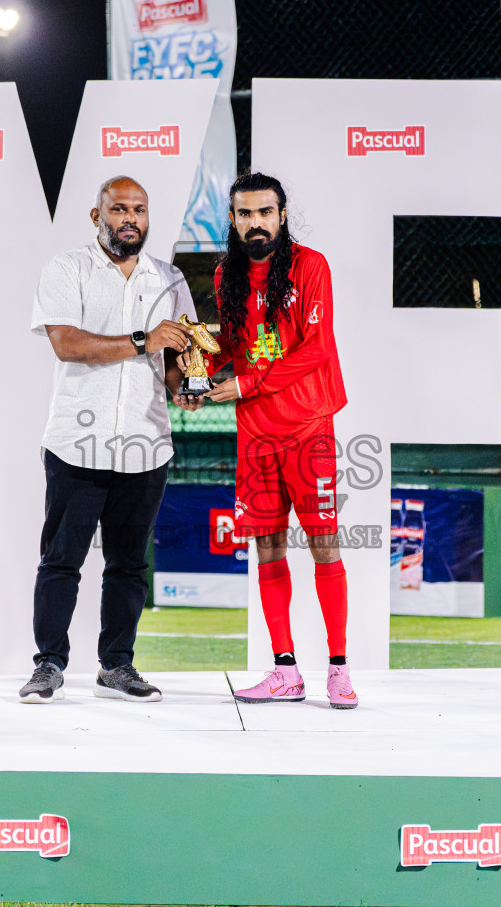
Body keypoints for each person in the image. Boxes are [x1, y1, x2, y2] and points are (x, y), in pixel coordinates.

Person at [180, 171, 356, 708]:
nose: (255, 223)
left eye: (264, 212)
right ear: (231, 220)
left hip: (307, 427)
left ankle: (339, 669)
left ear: (281, 214)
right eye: (244, 214)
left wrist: (246, 382)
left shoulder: (311, 267)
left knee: (324, 545)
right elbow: (233, 343)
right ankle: (285, 670)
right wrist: (198, 372)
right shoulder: (225, 274)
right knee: (267, 547)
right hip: (256, 432)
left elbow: (316, 350)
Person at [20, 175, 196, 704]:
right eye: (118, 209)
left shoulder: (169, 278)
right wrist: (143, 340)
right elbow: (67, 344)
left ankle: (117, 666)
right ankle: (48, 664)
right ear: (96, 216)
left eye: (139, 210)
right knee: (61, 561)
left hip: (146, 444)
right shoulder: (66, 269)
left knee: (128, 565)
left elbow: (176, 358)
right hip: (78, 443)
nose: (130, 219)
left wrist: (184, 387)